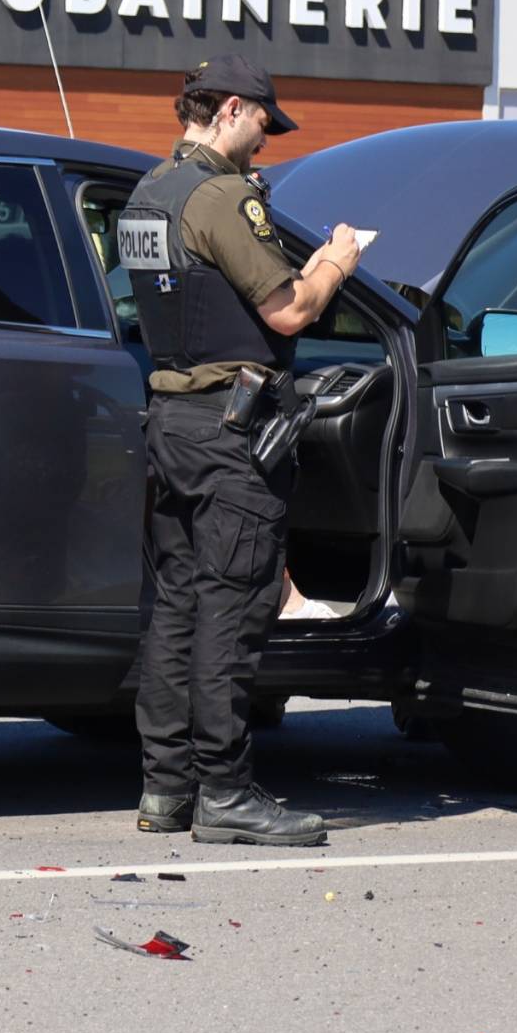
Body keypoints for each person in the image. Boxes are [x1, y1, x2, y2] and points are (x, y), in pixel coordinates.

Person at [117, 53, 365, 847]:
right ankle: (225, 792)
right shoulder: (222, 198)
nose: (264, 140)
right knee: (231, 607)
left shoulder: (148, 192)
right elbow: (287, 311)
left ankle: (165, 788)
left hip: (170, 422)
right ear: (229, 109)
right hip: (229, 433)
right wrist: (334, 264)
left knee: (174, 608)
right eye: (261, 122)